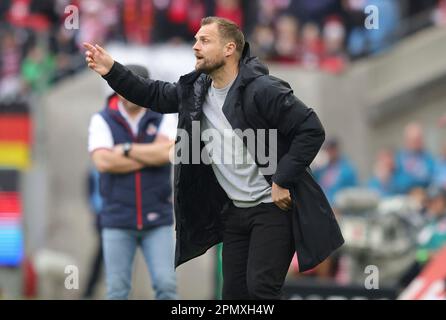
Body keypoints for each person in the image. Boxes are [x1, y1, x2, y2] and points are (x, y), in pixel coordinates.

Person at [84, 16, 344, 300]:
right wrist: (111, 70)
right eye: (195, 40)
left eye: (204, 40)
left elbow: (311, 130)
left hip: (272, 209)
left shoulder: (263, 89)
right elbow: (153, 94)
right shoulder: (196, 90)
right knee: (233, 296)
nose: (196, 46)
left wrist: (282, 179)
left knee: (261, 291)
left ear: (229, 48)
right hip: (235, 211)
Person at [87, 64, 178, 300]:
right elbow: (103, 162)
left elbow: (168, 154)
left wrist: (125, 150)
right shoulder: (102, 119)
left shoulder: (164, 114)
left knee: (166, 285)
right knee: (117, 291)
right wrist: (150, 156)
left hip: (158, 217)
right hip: (117, 218)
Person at [313, 138, 358, 204]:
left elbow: (349, 193)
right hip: (320, 204)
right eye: (327, 150)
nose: (329, 153)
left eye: (331, 150)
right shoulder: (322, 168)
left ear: (336, 150)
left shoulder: (347, 170)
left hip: (338, 208)